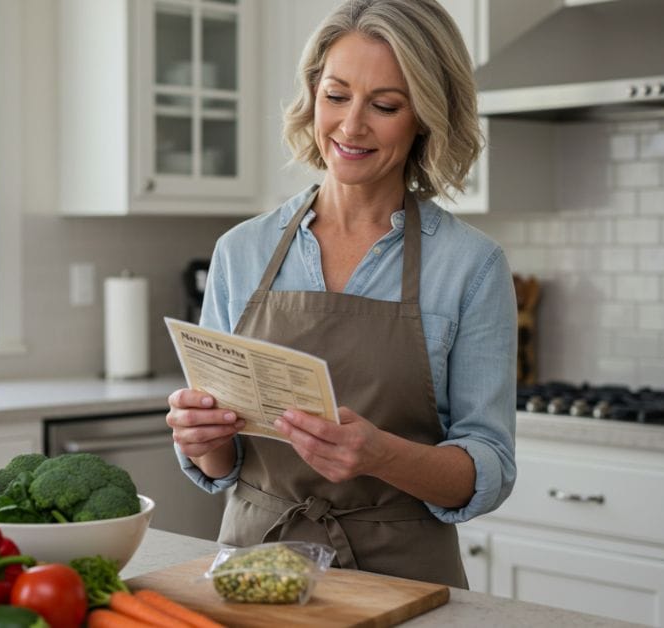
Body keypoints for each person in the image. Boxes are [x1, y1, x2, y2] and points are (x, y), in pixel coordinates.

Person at [166, 0, 516, 587]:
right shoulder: (242, 250)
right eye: (336, 95)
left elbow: (490, 466)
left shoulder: (471, 266)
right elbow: (222, 464)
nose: (351, 126)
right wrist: (202, 438)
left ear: (425, 118)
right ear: (312, 97)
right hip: (255, 565)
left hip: (406, 579)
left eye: (384, 106)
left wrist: (381, 455)